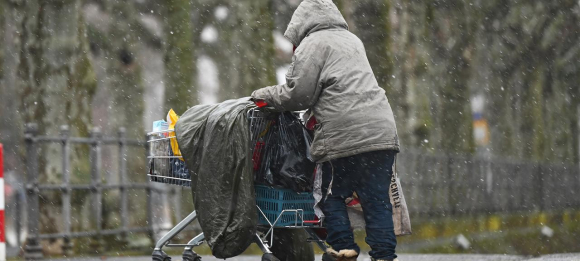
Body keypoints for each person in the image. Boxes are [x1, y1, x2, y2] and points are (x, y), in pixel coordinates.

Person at [251, 0, 400, 261]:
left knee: (331, 195)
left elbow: (299, 95)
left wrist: (263, 95)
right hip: (382, 131)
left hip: (344, 133)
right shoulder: (352, 40)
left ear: (300, 25)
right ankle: (384, 256)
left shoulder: (313, 43)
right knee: (376, 201)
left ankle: (344, 250)